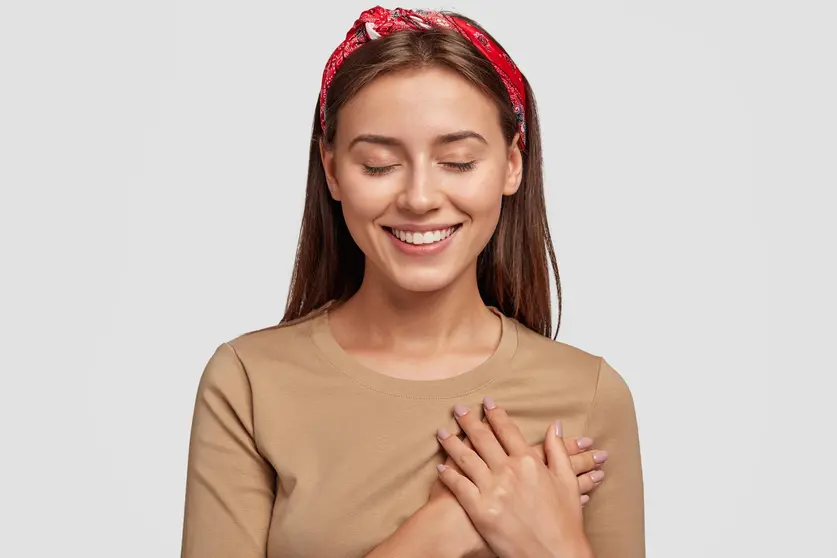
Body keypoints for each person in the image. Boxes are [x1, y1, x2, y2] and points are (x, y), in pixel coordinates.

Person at [180, 6, 644, 558]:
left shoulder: (589, 397)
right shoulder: (250, 383)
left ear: (512, 164)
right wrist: (442, 531)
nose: (420, 198)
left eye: (458, 161)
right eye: (378, 165)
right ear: (331, 170)